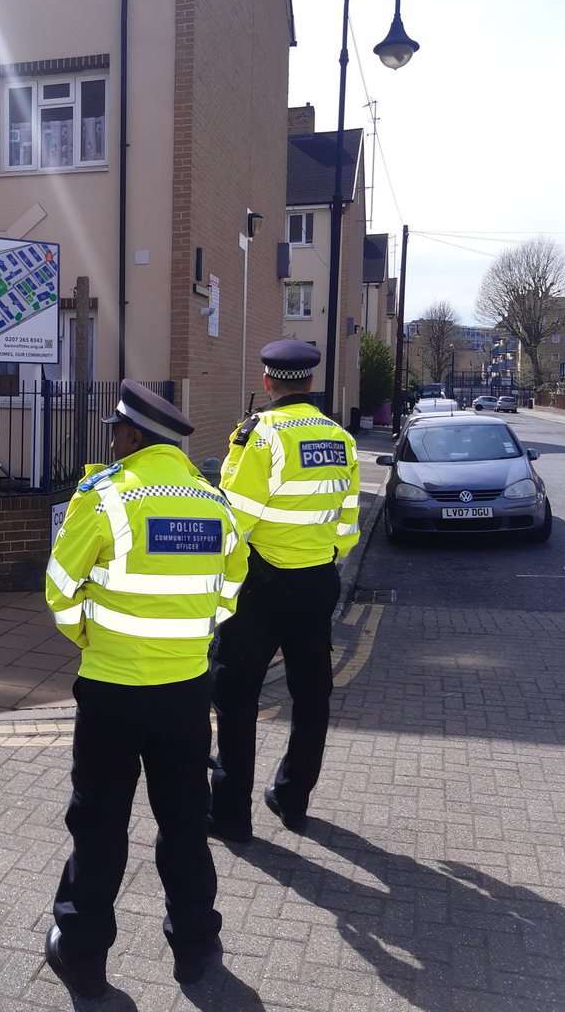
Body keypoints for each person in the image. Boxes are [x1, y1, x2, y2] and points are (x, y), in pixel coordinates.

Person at [44, 379, 249, 999]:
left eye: (116, 432)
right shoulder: (215, 505)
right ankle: (195, 951)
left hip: (111, 692)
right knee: (185, 821)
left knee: (100, 825)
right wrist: (191, 637)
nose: (112, 441)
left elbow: (58, 586)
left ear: (134, 436)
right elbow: (230, 588)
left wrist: (97, 640)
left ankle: (82, 958)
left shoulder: (104, 498)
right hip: (187, 691)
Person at [208, 340, 360, 842]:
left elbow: (236, 521)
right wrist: (323, 560)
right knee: (312, 693)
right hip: (318, 583)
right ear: (310, 383)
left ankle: (231, 816)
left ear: (269, 383)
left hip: (261, 587)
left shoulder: (261, 435)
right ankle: (293, 797)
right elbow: (347, 523)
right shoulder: (341, 438)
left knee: (236, 697)